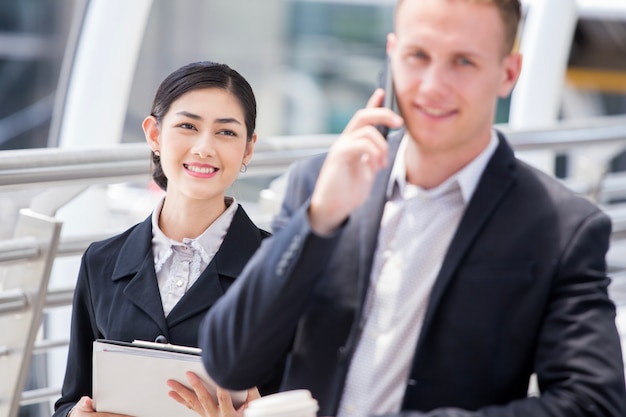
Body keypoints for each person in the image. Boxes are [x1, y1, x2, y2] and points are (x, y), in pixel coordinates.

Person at [198, 0, 626, 416]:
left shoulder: (562, 226)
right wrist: (318, 220)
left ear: (508, 73)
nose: (433, 85)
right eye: (418, 55)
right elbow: (230, 363)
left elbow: (593, 402)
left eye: (463, 61)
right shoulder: (319, 184)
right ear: (392, 54)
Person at [53, 61, 280, 417]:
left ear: (248, 149)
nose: (204, 148)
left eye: (226, 132)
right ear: (155, 135)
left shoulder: (284, 269)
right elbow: (71, 399)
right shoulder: (101, 262)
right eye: (188, 126)